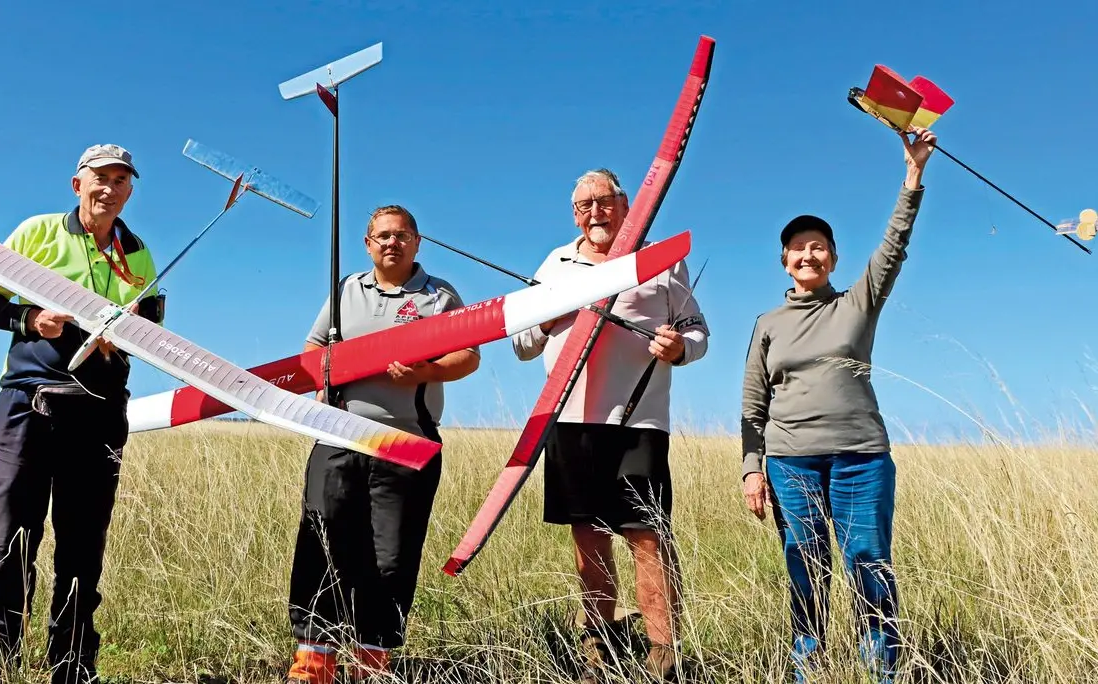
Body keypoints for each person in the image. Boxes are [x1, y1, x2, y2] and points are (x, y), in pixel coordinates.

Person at [739, 126, 937, 683]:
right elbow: (753, 406)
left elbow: (894, 244)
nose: (808, 252)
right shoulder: (768, 324)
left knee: (867, 565)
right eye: (798, 246)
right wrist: (753, 472)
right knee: (806, 569)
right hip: (789, 462)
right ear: (784, 261)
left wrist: (913, 174)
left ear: (832, 257)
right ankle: (808, 670)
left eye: (818, 244)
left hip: (861, 459)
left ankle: (883, 672)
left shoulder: (858, 303)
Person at [0, 144, 162, 684]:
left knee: (81, 555)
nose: (111, 189)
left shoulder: (137, 252)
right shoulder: (36, 233)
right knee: (8, 547)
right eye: (101, 178)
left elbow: (154, 329)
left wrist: (129, 334)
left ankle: (73, 669)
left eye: (122, 181)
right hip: (27, 407)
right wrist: (32, 320)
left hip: (98, 416)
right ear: (78, 184)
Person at [511, 169, 710, 682]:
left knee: (648, 536)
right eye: (584, 206)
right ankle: (597, 645)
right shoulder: (556, 263)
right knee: (588, 536)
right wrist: (549, 318)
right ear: (573, 213)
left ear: (626, 204)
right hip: (571, 420)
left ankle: (663, 651)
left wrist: (679, 347)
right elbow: (520, 342)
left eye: (604, 202)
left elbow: (697, 332)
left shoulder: (661, 261)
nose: (595, 213)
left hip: (639, 420)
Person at [284, 205, 480, 684]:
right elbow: (313, 350)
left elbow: (468, 354)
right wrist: (328, 374)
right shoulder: (346, 289)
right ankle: (314, 661)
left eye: (402, 235)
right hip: (338, 435)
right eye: (382, 236)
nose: (392, 243)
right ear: (367, 244)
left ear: (417, 242)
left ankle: (372, 660)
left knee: (391, 553)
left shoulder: (440, 296)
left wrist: (425, 371)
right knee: (323, 541)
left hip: (406, 441)